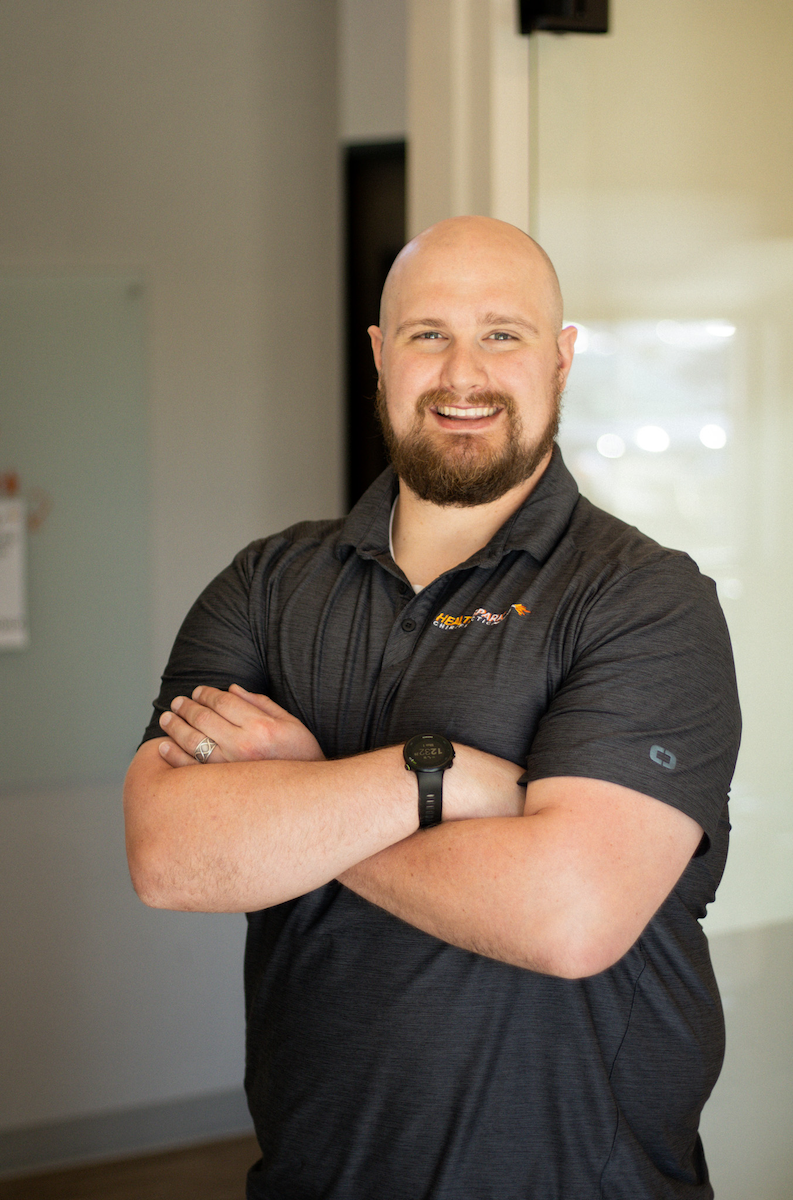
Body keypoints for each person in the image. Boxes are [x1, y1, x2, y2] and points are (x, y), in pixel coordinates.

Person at [124, 216, 741, 1199]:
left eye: (501, 334)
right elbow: (168, 854)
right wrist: (436, 778)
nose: (463, 374)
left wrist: (303, 793)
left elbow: (569, 915)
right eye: (428, 334)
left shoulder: (642, 600)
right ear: (380, 354)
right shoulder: (268, 584)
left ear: (560, 358)